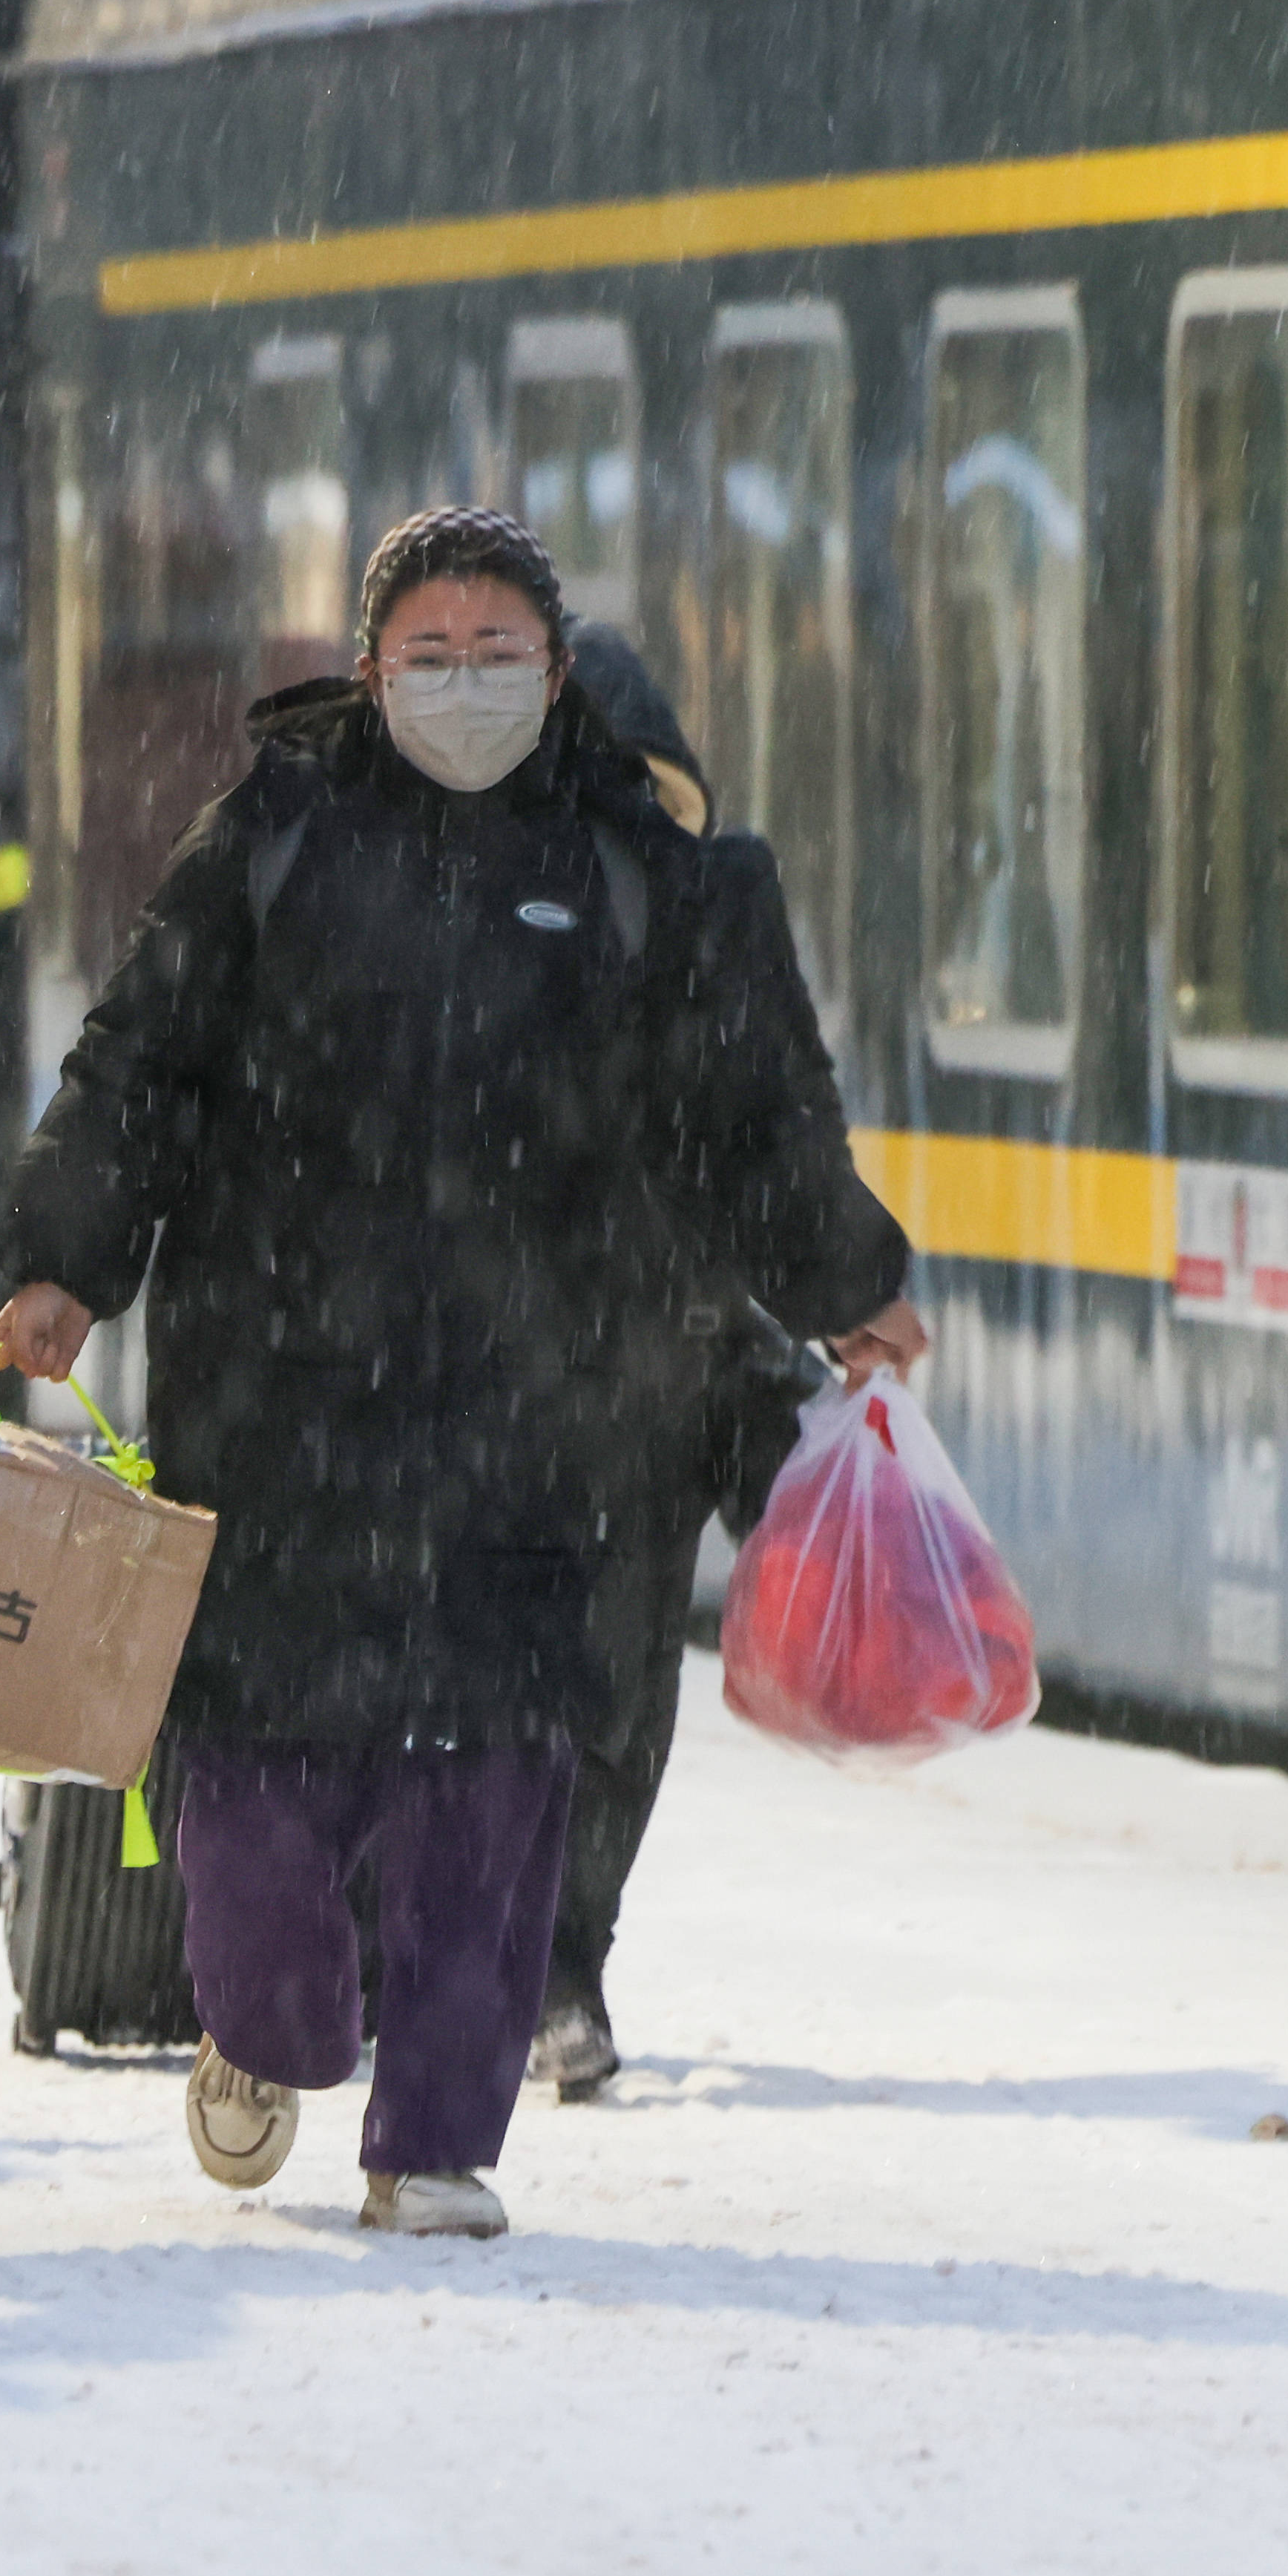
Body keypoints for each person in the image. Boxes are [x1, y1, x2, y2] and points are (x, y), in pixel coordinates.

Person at [0, 506, 922, 2241]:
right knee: (257, 1796)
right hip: (279, 1410)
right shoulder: (269, 838)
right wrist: (60, 1256)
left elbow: (748, 1119)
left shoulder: (640, 872)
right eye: (428, 654)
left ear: (555, 672)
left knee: (486, 1799)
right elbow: (137, 1066)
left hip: (539, 1411)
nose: (464, 683)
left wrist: (842, 1281)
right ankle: (263, 2033)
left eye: (497, 652)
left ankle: (430, 2138)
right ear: (366, 671)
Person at [531, 618, 833, 2104]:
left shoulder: (703, 904)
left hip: (631, 1365)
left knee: (577, 1680)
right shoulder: (485, 900)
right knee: (592, 1684)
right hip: (565, 1363)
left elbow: (782, 1133)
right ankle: (528, 1968)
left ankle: (538, 1970)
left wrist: (847, 1285)